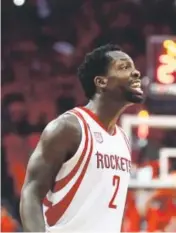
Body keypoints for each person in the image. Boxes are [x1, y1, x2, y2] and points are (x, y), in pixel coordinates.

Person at [20, 44, 143, 232]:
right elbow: (31, 193)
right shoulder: (69, 128)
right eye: (124, 67)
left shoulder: (123, 139)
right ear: (101, 82)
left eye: (133, 68)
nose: (135, 73)